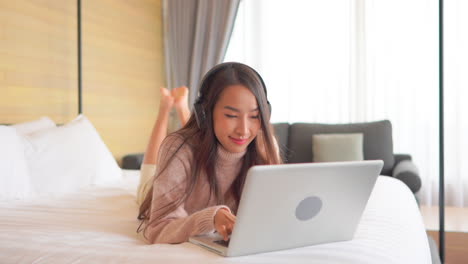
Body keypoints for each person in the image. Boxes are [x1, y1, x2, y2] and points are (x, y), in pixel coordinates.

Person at [137, 62, 281, 244]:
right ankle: (166, 107)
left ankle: (181, 106)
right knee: (149, 174)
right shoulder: (177, 148)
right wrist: (210, 218)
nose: (244, 130)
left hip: (196, 158)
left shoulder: (264, 146)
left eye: (254, 116)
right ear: (205, 113)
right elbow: (158, 230)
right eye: (231, 116)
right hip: (163, 184)